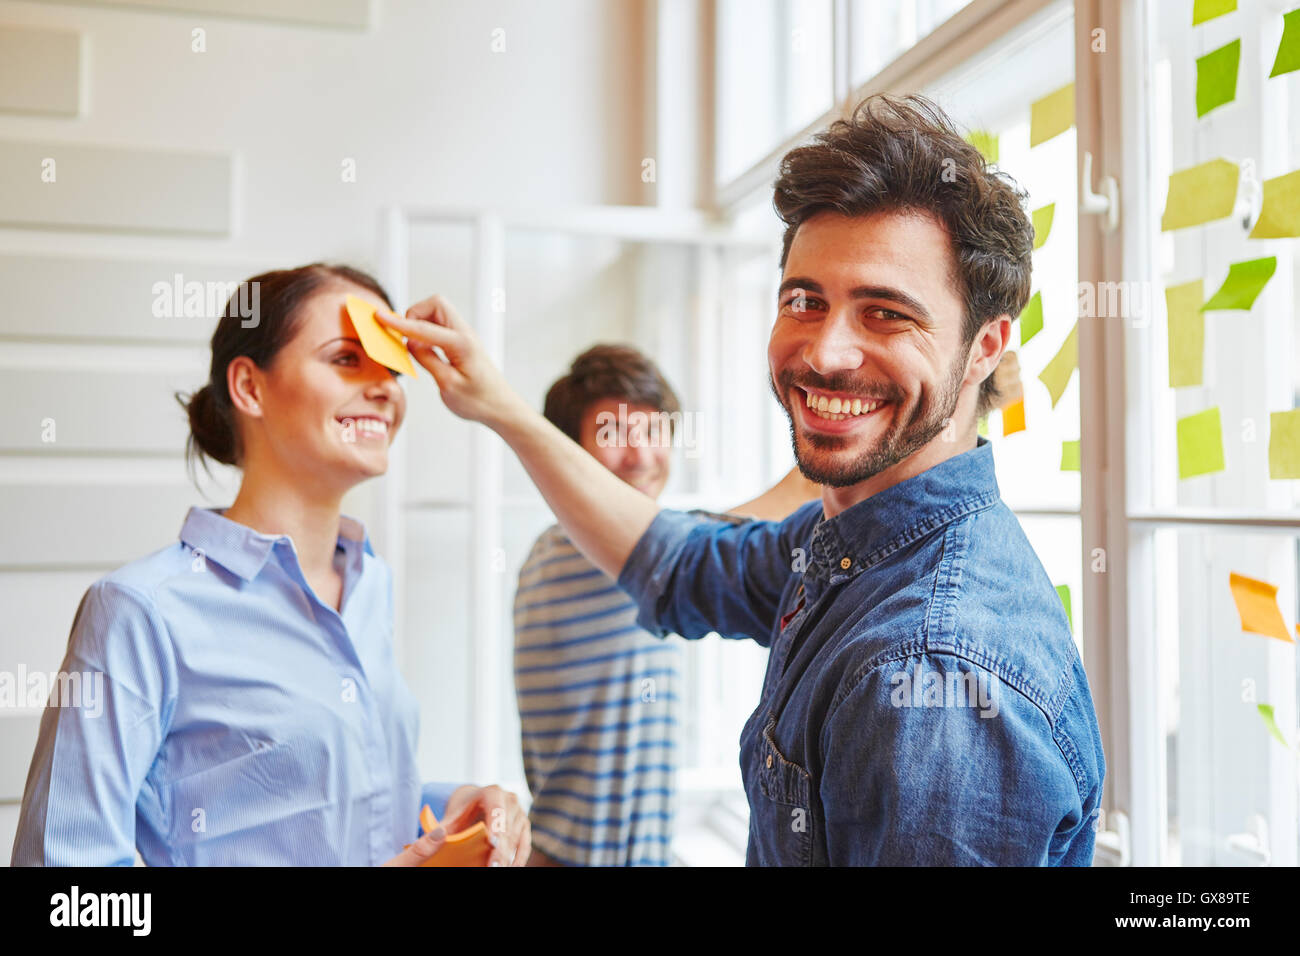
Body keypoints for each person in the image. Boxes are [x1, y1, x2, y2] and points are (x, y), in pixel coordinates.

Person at [379, 94, 1107, 865]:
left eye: (886, 313)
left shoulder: (930, 674)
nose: (826, 352)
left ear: (988, 345)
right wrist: (498, 404)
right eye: (805, 300)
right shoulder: (844, 545)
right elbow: (681, 564)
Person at [10, 263, 529, 866]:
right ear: (250, 388)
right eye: (346, 359)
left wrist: (456, 807)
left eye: (392, 366)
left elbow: (334, 804)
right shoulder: (139, 612)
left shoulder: (368, 586)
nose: (386, 386)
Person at [516, 345, 819, 866]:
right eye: (612, 435)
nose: (640, 455)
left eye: (653, 432)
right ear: (569, 462)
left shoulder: (614, 556)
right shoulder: (570, 552)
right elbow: (766, 520)